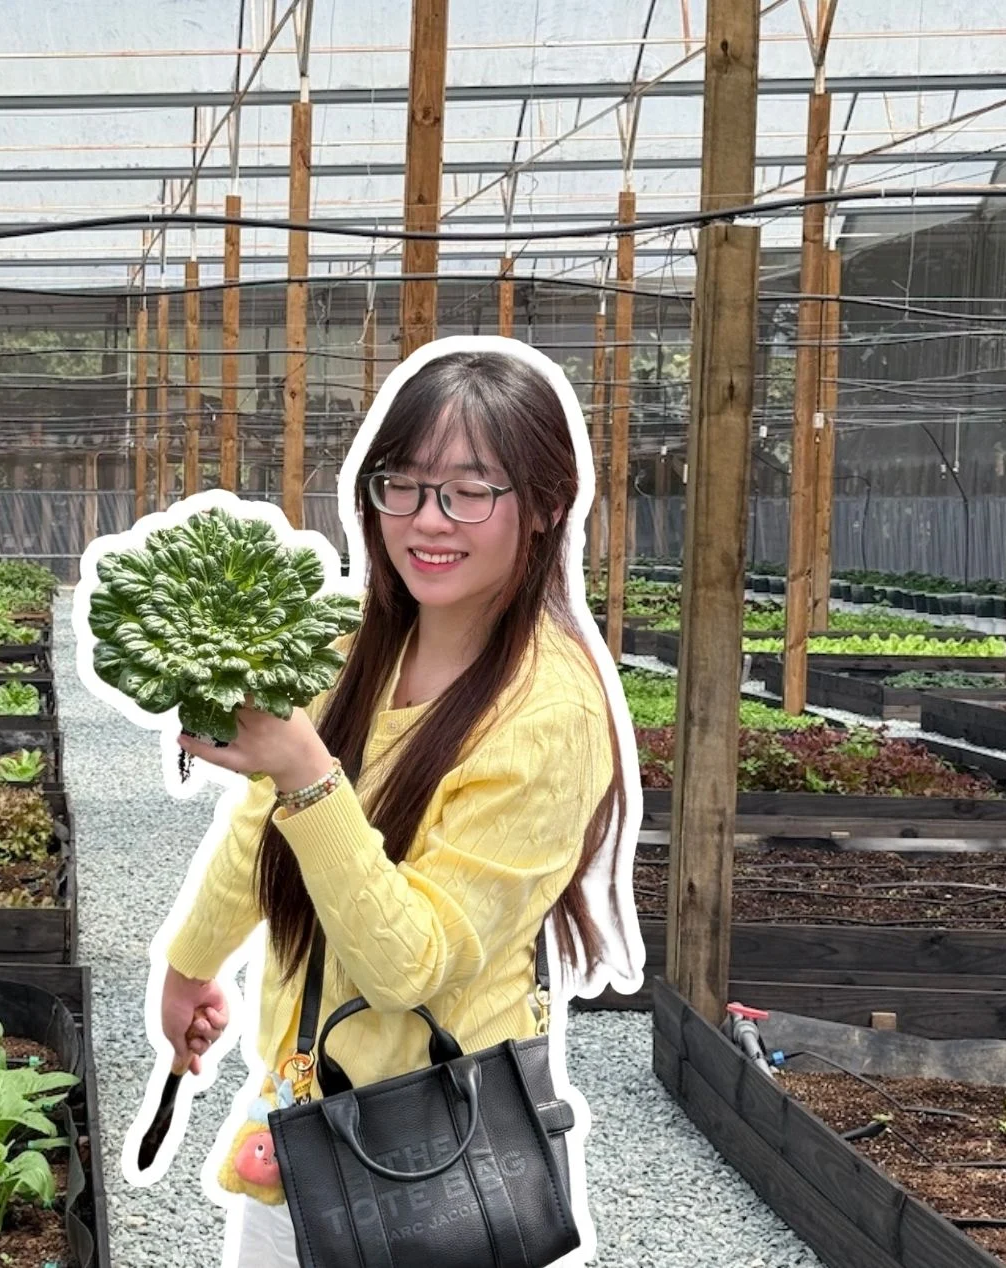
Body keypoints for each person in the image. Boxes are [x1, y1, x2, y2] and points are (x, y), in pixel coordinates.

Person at [153, 347, 640, 1265]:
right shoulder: (354, 646)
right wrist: (190, 966)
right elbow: (261, 826)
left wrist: (309, 775)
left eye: (469, 490)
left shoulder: (549, 714)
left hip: (438, 1156)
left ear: (545, 506)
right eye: (403, 485)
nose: (427, 520)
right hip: (303, 1125)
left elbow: (407, 967)